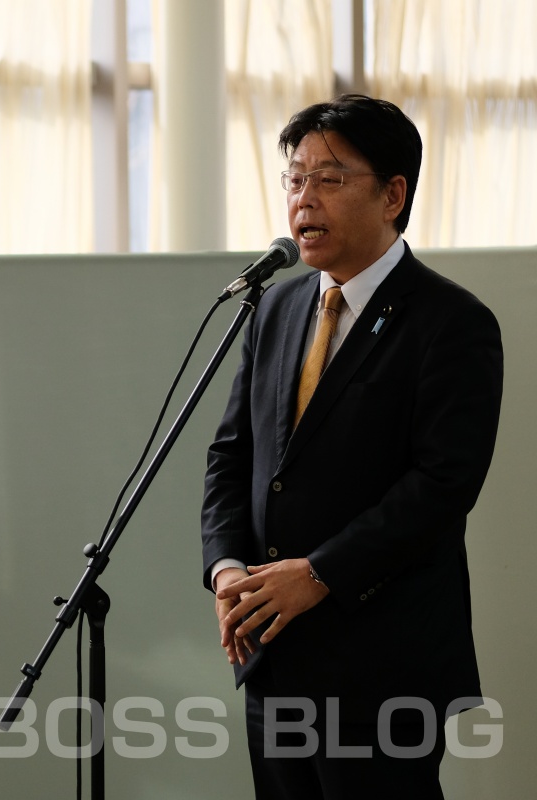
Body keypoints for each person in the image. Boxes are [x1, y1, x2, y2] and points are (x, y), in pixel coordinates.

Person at [200, 95, 503, 799]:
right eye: (294, 178)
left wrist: (320, 573)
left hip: (382, 664)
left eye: (329, 179)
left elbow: (443, 484)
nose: (304, 199)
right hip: (273, 654)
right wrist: (225, 570)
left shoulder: (451, 322)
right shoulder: (275, 306)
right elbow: (231, 455)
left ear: (394, 194)